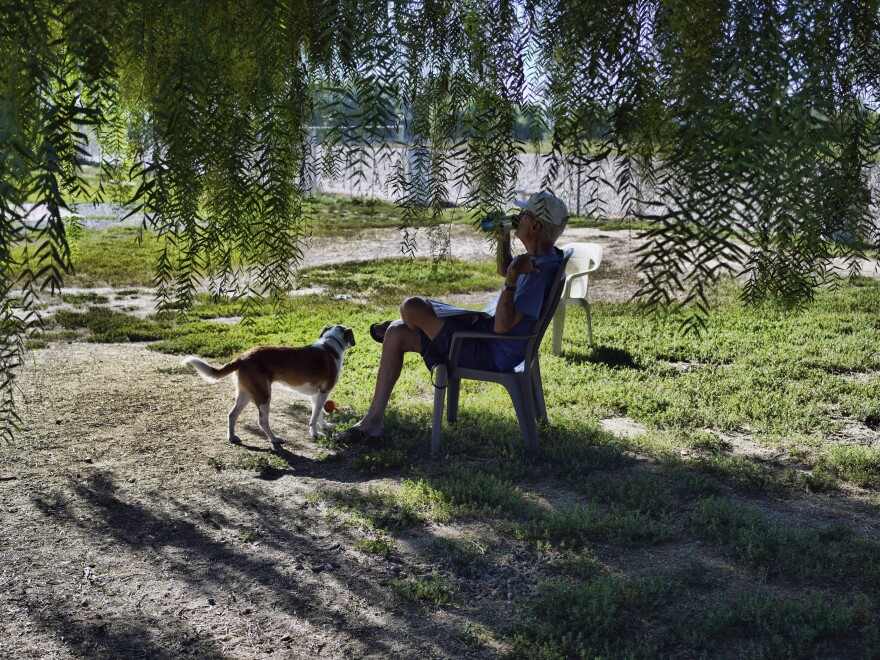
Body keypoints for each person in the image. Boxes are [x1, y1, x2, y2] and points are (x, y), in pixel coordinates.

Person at [337, 191, 569, 441]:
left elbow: (502, 327)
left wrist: (513, 278)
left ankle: (413, 324)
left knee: (411, 307)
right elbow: (505, 269)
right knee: (395, 333)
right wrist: (504, 237)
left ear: (534, 226)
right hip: (484, 338)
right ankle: (372, 422)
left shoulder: (537, 270)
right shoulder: (543, 259)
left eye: (522, 214)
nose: (516, 216)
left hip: (488, 350)